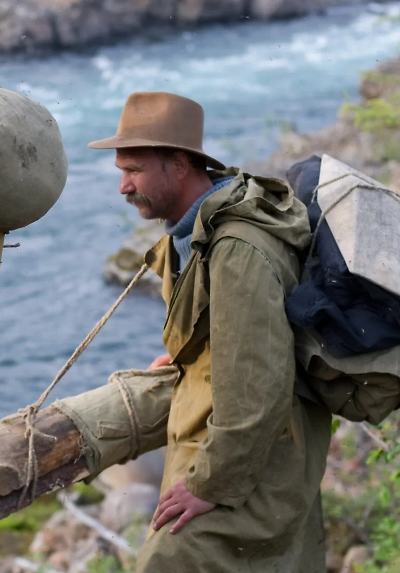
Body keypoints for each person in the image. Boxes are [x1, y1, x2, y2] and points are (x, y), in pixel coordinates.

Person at [88, 92, 332, 572]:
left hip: (258, 461)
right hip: (239, 445)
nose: (122, 186)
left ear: (179, 165)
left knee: (167, 561)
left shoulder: (238, 248)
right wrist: (188, 360)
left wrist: (210, 485)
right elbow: (235, 331)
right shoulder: (195, 230)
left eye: (132, 170)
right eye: (121, 171)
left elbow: (259, 384)